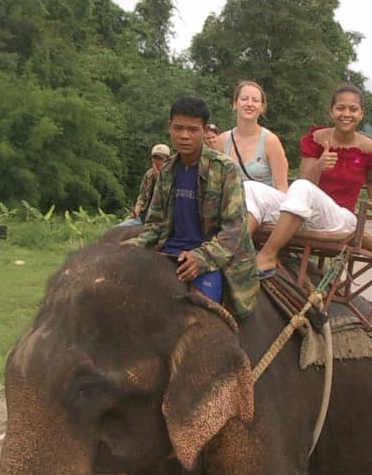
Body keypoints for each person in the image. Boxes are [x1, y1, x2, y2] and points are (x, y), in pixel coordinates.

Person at [128, 97, 258, 320]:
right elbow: (155, 225)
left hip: (212, 261)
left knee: (200, 325)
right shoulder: (168, 170)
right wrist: (125, 248)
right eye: (178, 128)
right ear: (169, 127)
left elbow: (234, 228)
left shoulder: (224, 169)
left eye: (192, 129)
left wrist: (202, 258)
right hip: (169, 254)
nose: (184, 135)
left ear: (205, 131)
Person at [246, 83, 372, 277]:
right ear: (332, 112)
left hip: (340, 218)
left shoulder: (370, 148)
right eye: (340, 108)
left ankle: (267, 255)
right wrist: (319, 165)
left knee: (302, 188)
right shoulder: (317, 138)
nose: (346, 114)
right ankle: (240, 252)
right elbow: (304, 178)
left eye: (353, 109)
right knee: (251, 188)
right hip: (302, 212)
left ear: (361, 114)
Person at [215, 80, 289, 191]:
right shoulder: (222, 141)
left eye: (255, 100)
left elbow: (282, 189)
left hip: (264, 205)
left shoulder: (270, 142)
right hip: (231, 204)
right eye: (244, 99)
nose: (249, 104)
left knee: (249, 187)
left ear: (262, 107)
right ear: (235, 104)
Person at [119, 143, 171, 226]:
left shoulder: (171, 176)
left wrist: (159, 179)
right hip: (143, 217)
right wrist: (137, 209)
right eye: (154, 158)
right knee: (117, 229)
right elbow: (142, 195)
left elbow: (168, 198)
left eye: (160, 158)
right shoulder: (148, 174)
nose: (157, 161)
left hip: (160, 220)